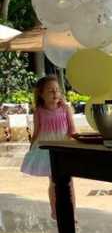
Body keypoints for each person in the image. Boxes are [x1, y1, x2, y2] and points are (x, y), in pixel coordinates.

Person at [21, 75, 77, 220]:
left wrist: (76, 146)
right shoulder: (39, 111)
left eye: (57, 90)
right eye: (51, 91)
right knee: (54, 182)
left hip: (64, 148)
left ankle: (72, 213)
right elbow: (37, 132)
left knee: (69, 183)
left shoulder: (65, 109)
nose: (55, 93)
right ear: (41, 94)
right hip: (49, 150)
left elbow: (72, 130)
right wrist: (32, 148)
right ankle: (55, 211)